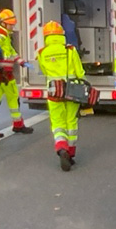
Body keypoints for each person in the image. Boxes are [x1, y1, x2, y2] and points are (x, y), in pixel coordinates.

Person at [38, 21, 85, 171]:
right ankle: (70, 153)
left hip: (54, 91)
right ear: (61, 35)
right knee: (71, 121)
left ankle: (61, 147)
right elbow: (79, 71)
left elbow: (45, 72)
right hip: (72, 90)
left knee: (58, 122)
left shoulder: (42, 52)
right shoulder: (70, 50)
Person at [0, 9, 34, 135]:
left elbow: (10, 51)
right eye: (11, 24)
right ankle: (17, 124)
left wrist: (21, 61)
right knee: (12, 98)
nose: (12, 26)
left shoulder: (3, 35)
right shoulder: (0, 35)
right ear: (4, 23)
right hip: (3, 74)